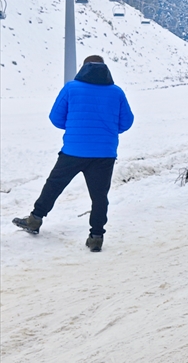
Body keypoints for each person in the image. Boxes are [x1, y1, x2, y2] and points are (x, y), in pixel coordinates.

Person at [12, 55, 133, 252]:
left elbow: (56, 118)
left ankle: (35, 220)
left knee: (54, 185)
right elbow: (126, 123)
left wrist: (75, 126)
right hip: (104, 153)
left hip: (73, 151)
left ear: (84, 68)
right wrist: (106, 130)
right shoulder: (116, 92)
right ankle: (96, 237)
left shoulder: (71, 88)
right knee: (100, 196)